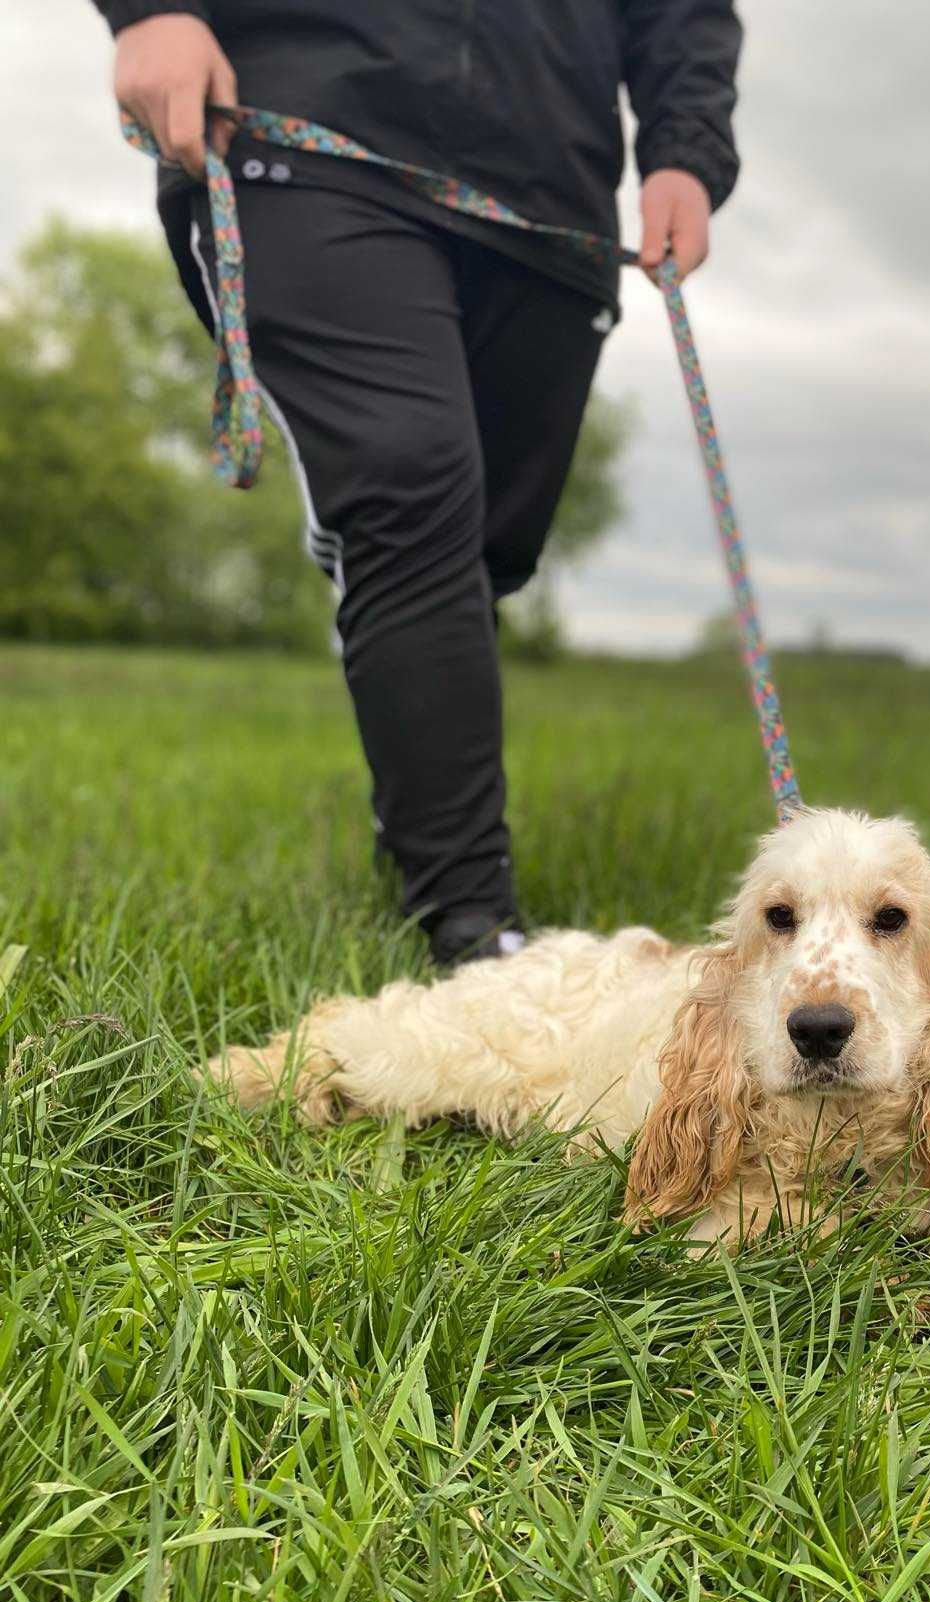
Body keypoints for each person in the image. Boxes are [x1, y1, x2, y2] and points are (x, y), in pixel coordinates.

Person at [93, 2, 742, 963]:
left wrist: (686, 149)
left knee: (481, 553)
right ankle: (474, 929)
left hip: (545, 198)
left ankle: (416, 810)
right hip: (309, 124)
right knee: (409, 489)